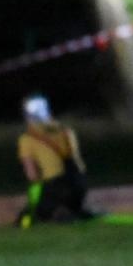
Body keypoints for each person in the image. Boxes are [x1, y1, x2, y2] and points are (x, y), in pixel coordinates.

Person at [16, 94, 93, 225]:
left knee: (39, 208)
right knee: (69, 202)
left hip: (56, 186)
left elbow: (32, 175)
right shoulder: (66, 131)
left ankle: (58, 212)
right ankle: (73, 210)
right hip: (79, 182)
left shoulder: (27, 139)